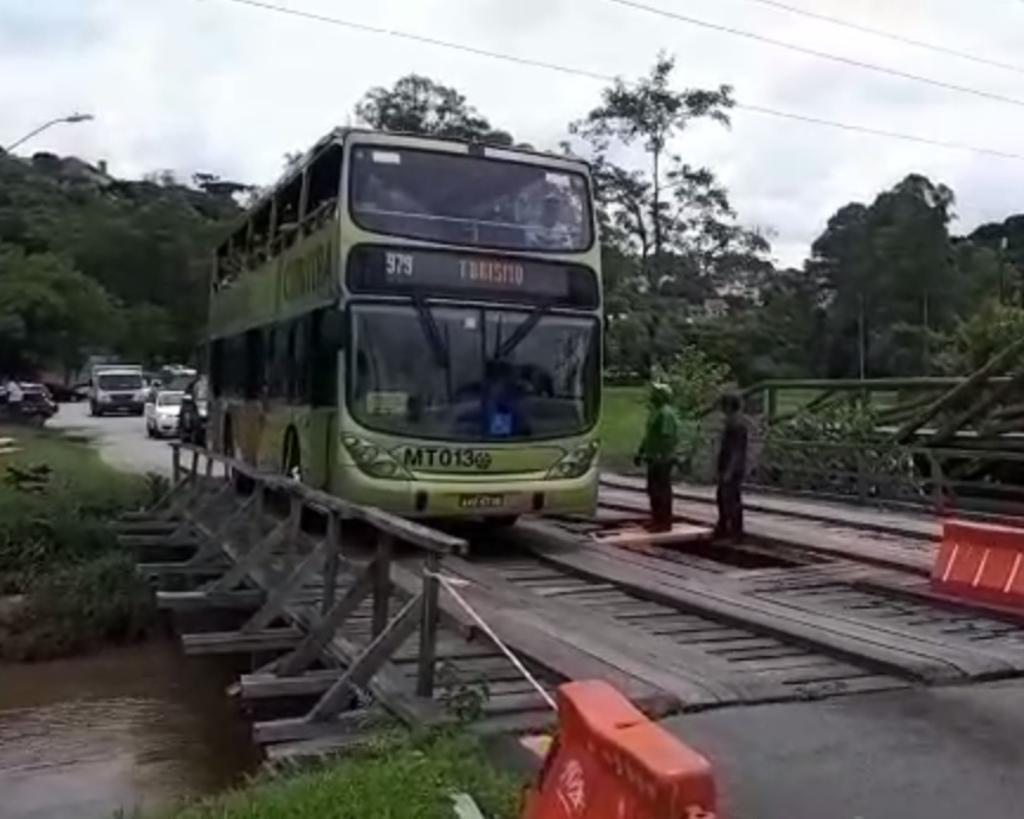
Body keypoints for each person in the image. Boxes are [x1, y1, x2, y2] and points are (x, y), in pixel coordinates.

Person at [635, 383, 682, 532]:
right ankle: (656, 518)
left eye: (655, 393)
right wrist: (641, 452)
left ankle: (664, 522)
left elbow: (667, 438)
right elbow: (649, 436)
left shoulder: (666, 413)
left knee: (662, 490)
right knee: (652, 489)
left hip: (662, 459)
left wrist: (662, 456)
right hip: (652, 457)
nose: (652, 395)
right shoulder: (655, 412)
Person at [714, 392, 748, 542]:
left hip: (732, 468)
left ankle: (734, 531)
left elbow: (736, 451)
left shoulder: (736, 425)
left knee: (730, 499)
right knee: (723, 497)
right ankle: (724, 526)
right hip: (729, 466)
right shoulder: (732, 424)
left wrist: (729, 470)